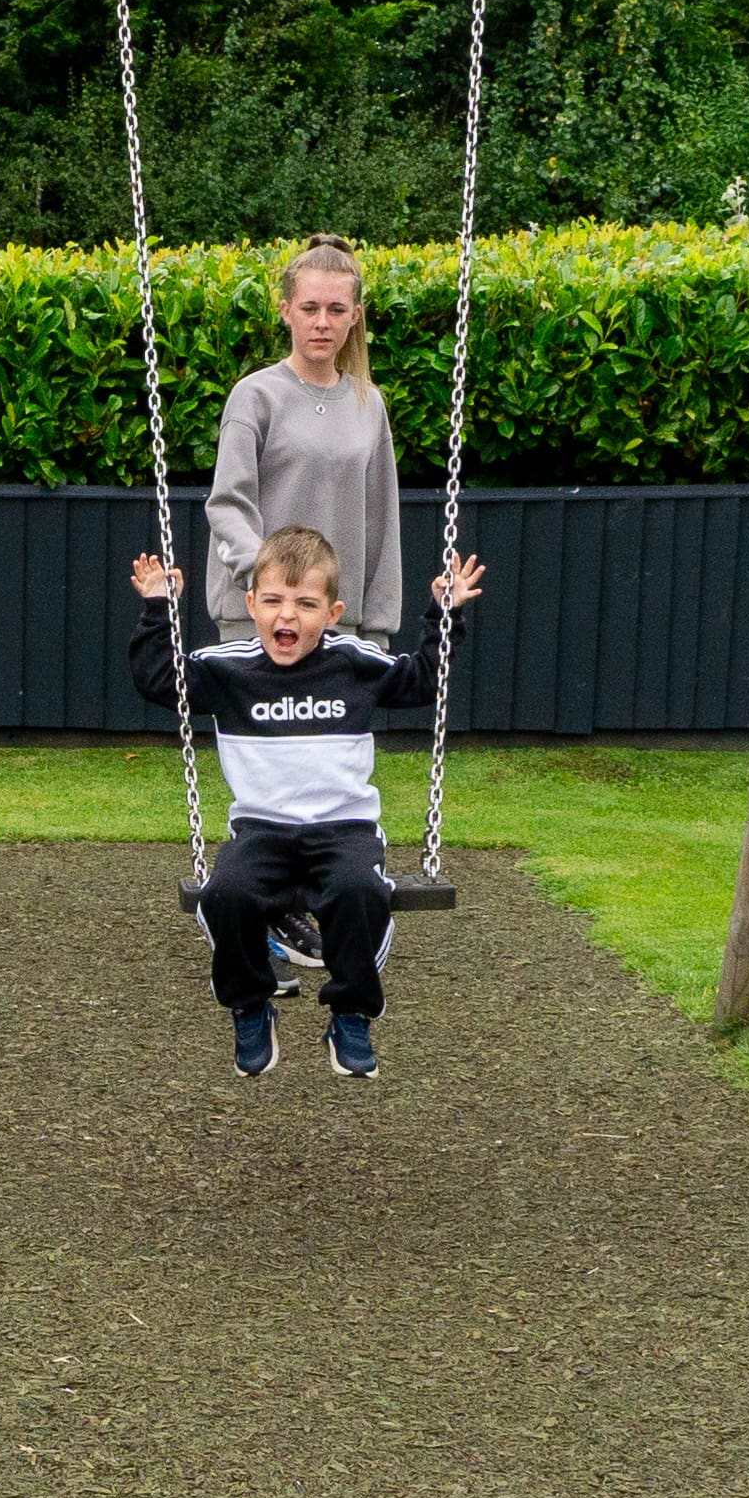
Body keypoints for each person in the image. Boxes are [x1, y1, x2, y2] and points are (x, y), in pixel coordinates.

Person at [131, 521, 482, 1083]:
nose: (286, 616)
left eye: (305, 603)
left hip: (342, 828)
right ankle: (250, 1005)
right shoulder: (229, 668)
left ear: (333, 612)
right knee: (226, 894)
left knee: (359, 892)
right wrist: (157, 609)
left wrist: (445, 616)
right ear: (251, 604)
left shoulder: (355, 663)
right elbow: (158, 682)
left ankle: (351, 1012)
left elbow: (421, 681)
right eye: (271, 600)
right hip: (262, 831)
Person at [203, 238, 401, 643]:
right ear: (286, 311)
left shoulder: (369, 404)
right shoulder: (255, 396)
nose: (322, 322)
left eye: (336, 310)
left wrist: (377, 631)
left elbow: (382, 527)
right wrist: (267, 587)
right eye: (310, 308)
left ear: (355, 316)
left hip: (337, 630)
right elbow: (227, 506)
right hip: (256, 625)